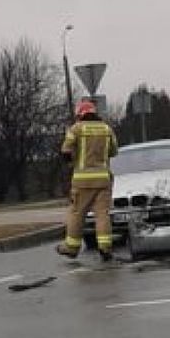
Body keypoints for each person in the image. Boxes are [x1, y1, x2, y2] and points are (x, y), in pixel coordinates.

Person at [56, 100, 118, 262]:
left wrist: (72, 162)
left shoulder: (76, 129)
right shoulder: (106, 129)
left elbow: (65, 152)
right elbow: (114, 151)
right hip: (103, 180)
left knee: (77, 214)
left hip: (82, 182)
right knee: (102, 215)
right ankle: (105, 248)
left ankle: (72, 247)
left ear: (80, 114)